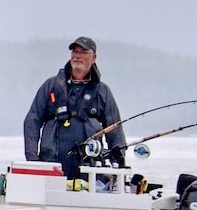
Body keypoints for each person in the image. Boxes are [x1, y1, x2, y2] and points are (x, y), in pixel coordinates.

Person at [23, 36, 126, 190]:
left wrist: (119, 164)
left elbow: (115, 129)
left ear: (94, 58)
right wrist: (33, 160)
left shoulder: (102, 91)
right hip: (52, 164)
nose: (77, 56)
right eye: (74, 51)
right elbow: (32, 120)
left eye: (83, 52)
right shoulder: (50, 86)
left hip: (89, 166)